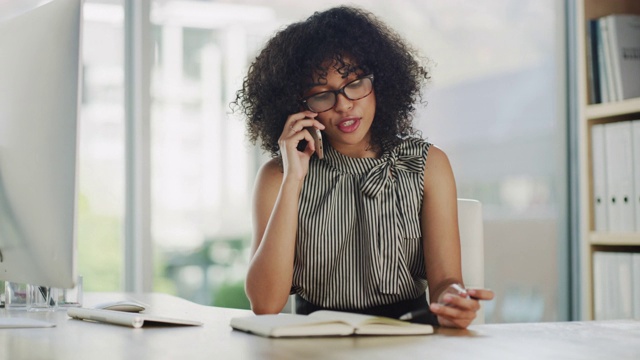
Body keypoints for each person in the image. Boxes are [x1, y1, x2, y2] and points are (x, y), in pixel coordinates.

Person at [233, 6, 494, 329]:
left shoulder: (428, 164)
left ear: (380, 83)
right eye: (321, 95)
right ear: (300, 107)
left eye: (354, 84)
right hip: (313, 343)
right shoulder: (278, 176)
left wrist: (455, 299)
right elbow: (265, 305)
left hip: (409, 339)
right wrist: (294, 179)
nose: (343, 104)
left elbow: (444, 284)